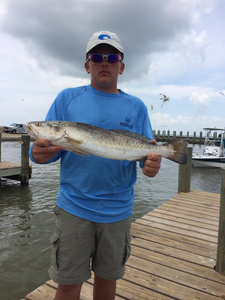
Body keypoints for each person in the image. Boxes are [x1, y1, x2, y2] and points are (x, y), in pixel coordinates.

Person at [29, 31, 161, 300]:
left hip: (118, 211)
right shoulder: (66, 99)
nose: (105, 62)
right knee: (66, 285)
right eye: (97, 57)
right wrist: (38, 153)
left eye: (112, 57)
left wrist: (151, 165)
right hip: (74, 208)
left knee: (107, 283)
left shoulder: (136, 107)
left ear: (121, 66)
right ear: (87, 64)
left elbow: (146, 156)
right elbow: (49, 152)